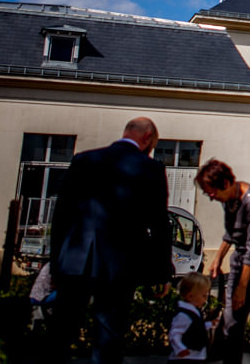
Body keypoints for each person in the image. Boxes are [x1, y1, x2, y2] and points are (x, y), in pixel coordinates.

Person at [48, 117, 173, 364]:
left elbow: (61, 217)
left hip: (74, 261)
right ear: (147, 138)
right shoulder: (151, 169)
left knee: (60, 334)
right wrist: (161, 274)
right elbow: (159, 224)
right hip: (117, 266)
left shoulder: (83, 160)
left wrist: (55, 265)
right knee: (108, 339)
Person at [195, 159, 250, 364]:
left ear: (224, 183)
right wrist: (218, 258)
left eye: (212, 192)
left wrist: (242, 287)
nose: (212, 197)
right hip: (242, 259)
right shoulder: (229, 200)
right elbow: (231, 234)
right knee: (232, 322)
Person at [169, 273, 215, 361]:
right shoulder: (183, 315)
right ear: (190, 296)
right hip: (186, 357)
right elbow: (175, 333)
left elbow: (196, 328)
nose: (205, 299)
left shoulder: (194, 313)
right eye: (203, 296)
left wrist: (209, 324)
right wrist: (180, 348)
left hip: (195, 356)